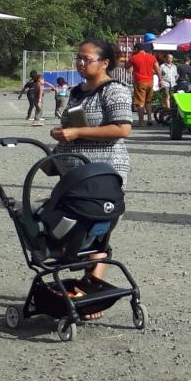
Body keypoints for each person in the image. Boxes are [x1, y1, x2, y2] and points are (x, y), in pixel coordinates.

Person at [50, 40, 133, 315]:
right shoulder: (76, 92)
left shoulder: (114, 91)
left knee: (98, 232)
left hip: (103, 173)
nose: (80, 63)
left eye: (87, 59)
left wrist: (77, 134)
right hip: (74, 174)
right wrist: (61, 139)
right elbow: (72, 125)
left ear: (104, 63)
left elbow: (122, 129)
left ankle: (91, 289)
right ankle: (79, 287)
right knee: (71, 231)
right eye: (78, 58)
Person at [128, 37, 159, 119]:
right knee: (148, 101)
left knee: (140, 102)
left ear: (136, 49)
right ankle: (149, 119)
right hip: (150, 81)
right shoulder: (151, 57)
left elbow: (126, 66)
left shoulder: (134, 57)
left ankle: (141, 121)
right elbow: (157, 68)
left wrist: (133, 55)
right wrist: (160, 79)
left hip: (140, 81)